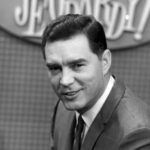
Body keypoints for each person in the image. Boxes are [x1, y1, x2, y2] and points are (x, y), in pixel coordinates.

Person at [41, 14, 150, 150]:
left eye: (77, 65)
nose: (65, 81)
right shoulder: (63, 109)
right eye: (55, 68)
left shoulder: (138, 134)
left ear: (105, 62)